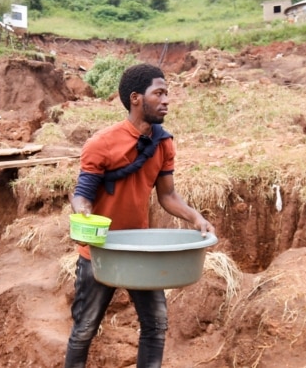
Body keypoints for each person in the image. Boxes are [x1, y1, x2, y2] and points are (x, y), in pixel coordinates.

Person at [65, 63, 215, 368]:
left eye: (167, 93)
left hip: (139, 251)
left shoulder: (163, 143)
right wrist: (84, 213)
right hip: (99, 251)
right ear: (136, 98)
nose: (166, 100)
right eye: (158, 93)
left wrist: (196, 218)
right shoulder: (101, 144)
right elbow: (82, 194)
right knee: (84, 331)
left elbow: (168, 195)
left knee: (156, 327)